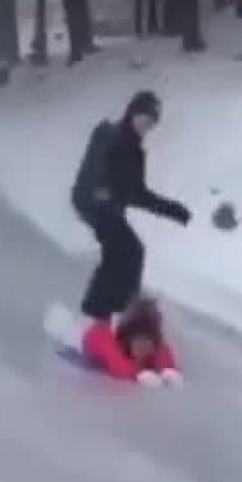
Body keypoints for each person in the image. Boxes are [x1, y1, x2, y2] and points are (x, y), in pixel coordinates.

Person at [70, 90, 192, 322]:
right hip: (90, 200)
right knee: (120, 249)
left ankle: (123, 307)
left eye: (151, 124)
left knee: (133, 251)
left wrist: (173, 210)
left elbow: (138, 194)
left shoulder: (136, 154)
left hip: (110, 209)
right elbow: (96, 165)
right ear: (132, 112)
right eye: (144, 119)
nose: (146, 126)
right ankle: (94, 312)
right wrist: (102, 190)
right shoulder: (107, 133)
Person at [81, 294, 183, 387]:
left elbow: (162, 352)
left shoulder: (155, 342)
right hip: (91, 353)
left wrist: (169, 370)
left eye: (149, 342)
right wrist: (139, 375)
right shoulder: (105, 337)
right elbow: (119, 367)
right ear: (128, 339)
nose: (145, 348)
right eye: (140, 342)